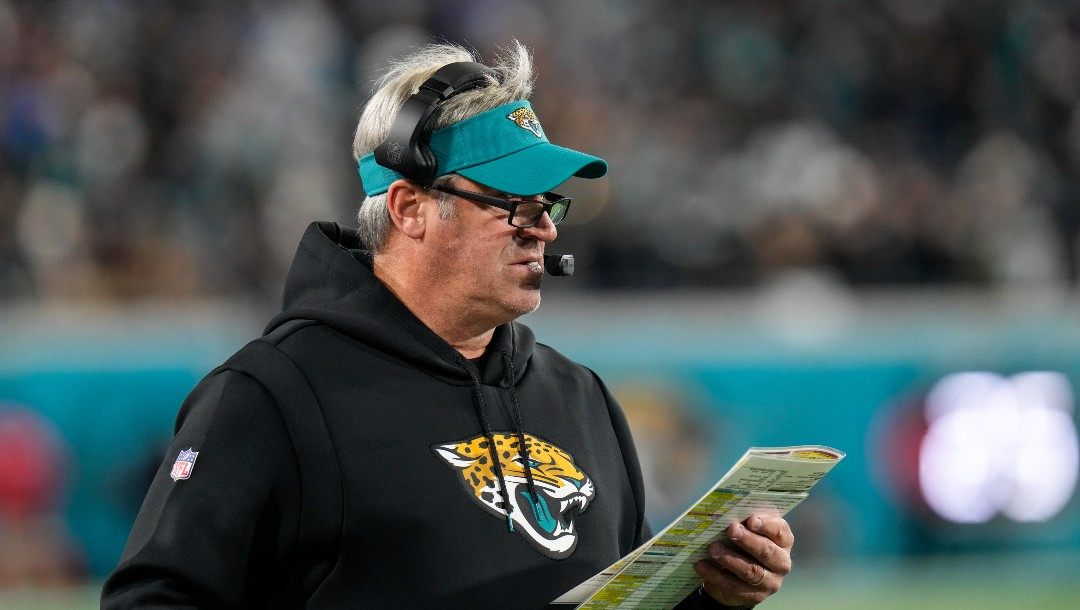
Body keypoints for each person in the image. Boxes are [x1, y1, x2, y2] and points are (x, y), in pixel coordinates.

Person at [101, 41, 794, 609]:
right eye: (513, 205)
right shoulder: (270, 395)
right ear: (409, 208)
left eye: (547, 204)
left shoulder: (580, 398)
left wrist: (713, 596)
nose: (544, 229)